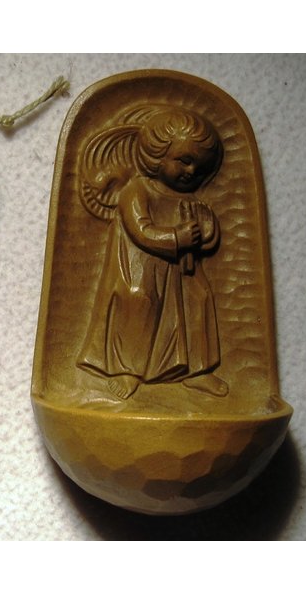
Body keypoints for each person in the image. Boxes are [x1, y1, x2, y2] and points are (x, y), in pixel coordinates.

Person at [77, 106, 228, 400]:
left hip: (180, 275)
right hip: (141, 272)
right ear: (157, 156)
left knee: (199, 299)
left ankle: (197, 371)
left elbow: (206, 240)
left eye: (200, 168)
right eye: (184, 160)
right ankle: (128, 370)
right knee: (139, 301)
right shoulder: (137, 191)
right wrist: (178, 237)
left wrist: (205, 234)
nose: (191, 172)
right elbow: (142, 231)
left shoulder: (190, 199)